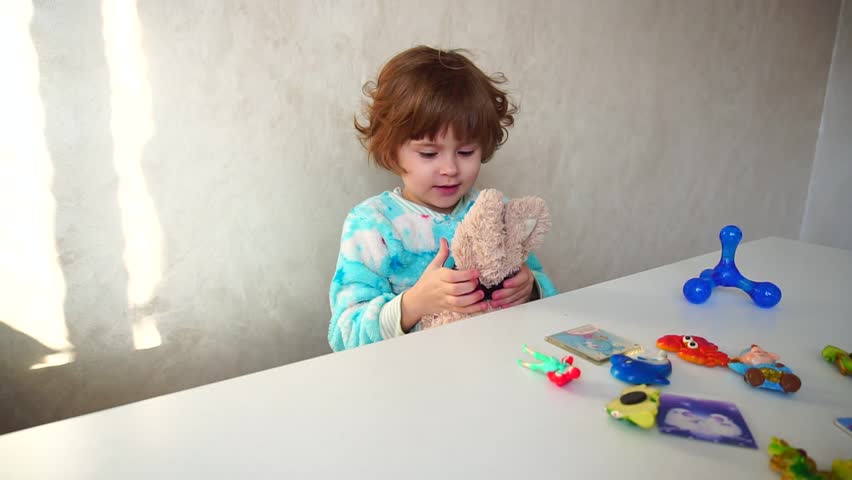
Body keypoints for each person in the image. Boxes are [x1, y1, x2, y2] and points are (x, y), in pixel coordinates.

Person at [328, 45, 557, 352]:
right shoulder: (372, 224)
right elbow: (344, 335)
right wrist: (413, 304)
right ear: (392, 151)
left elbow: (549, 296)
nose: (450, 169)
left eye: (466, 152)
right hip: (413, 372)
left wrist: (530, 288)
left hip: (496, 359)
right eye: (428, 153)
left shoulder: (492, 212)